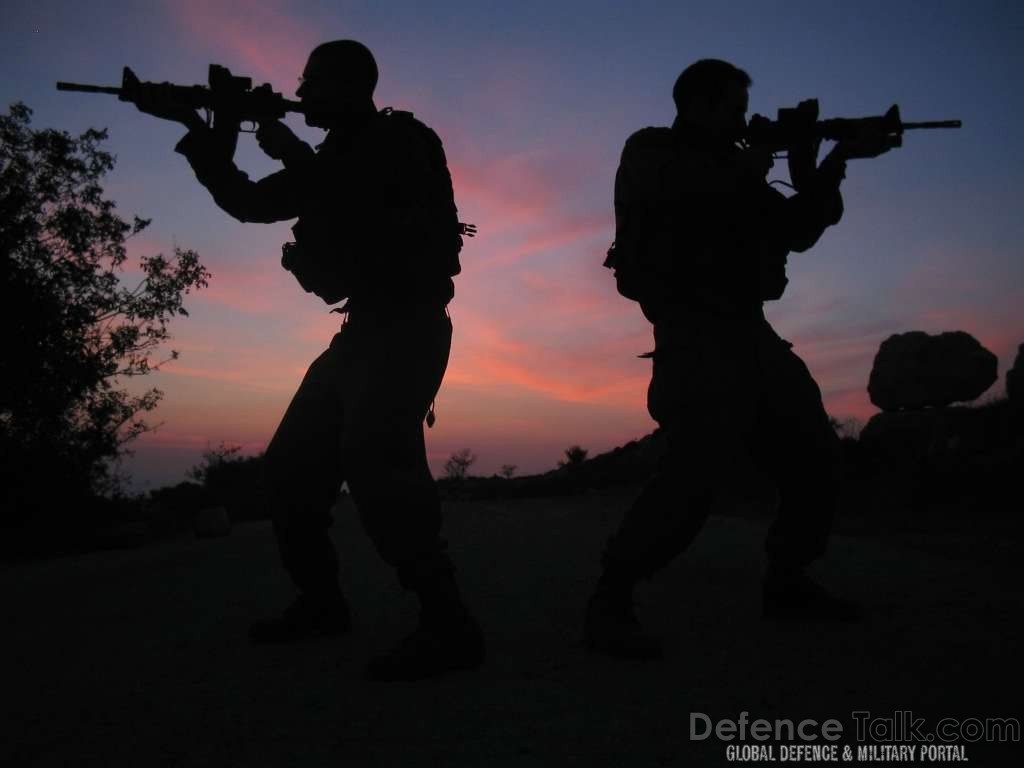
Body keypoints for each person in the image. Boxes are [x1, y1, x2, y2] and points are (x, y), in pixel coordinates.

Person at [133, 40, 483, 681]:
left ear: (353, 86)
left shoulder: (402, 141)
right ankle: (322, 605)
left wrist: (270, 134)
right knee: (291, 473)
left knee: (379, 462)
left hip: (407, 330)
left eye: (314, 82)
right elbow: (245, 202)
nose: (303, 91)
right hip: (357, 337)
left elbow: (356, 196)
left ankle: (448, 622)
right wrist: (203, 126)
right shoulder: (327, 157)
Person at [585, 59, 896, 659]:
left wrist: (831, 162)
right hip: (693, 332)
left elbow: (796, 229)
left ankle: (787, 581)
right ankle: (611, 597)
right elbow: (672, 201)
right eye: (732, 107)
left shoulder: (736, 165)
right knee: (693, 471)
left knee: (813, 454)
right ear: (697, 105)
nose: (742, 120)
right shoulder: (653, 150)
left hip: (748, 329)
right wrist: (749, 167)